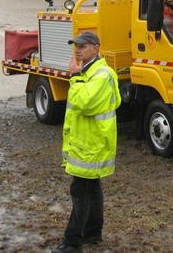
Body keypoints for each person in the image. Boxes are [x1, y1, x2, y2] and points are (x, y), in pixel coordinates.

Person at [52, 31, 121, 253]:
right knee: (91, 187)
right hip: (88, 142)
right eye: (76, 46)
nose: (78, 49)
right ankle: (93, 233)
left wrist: (74, 77)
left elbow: (84, 102)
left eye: (82, 46)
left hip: (91, 144)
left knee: (80, 190)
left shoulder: (100, 74)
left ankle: (72, 242)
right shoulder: (90, 72)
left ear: (96, 48)